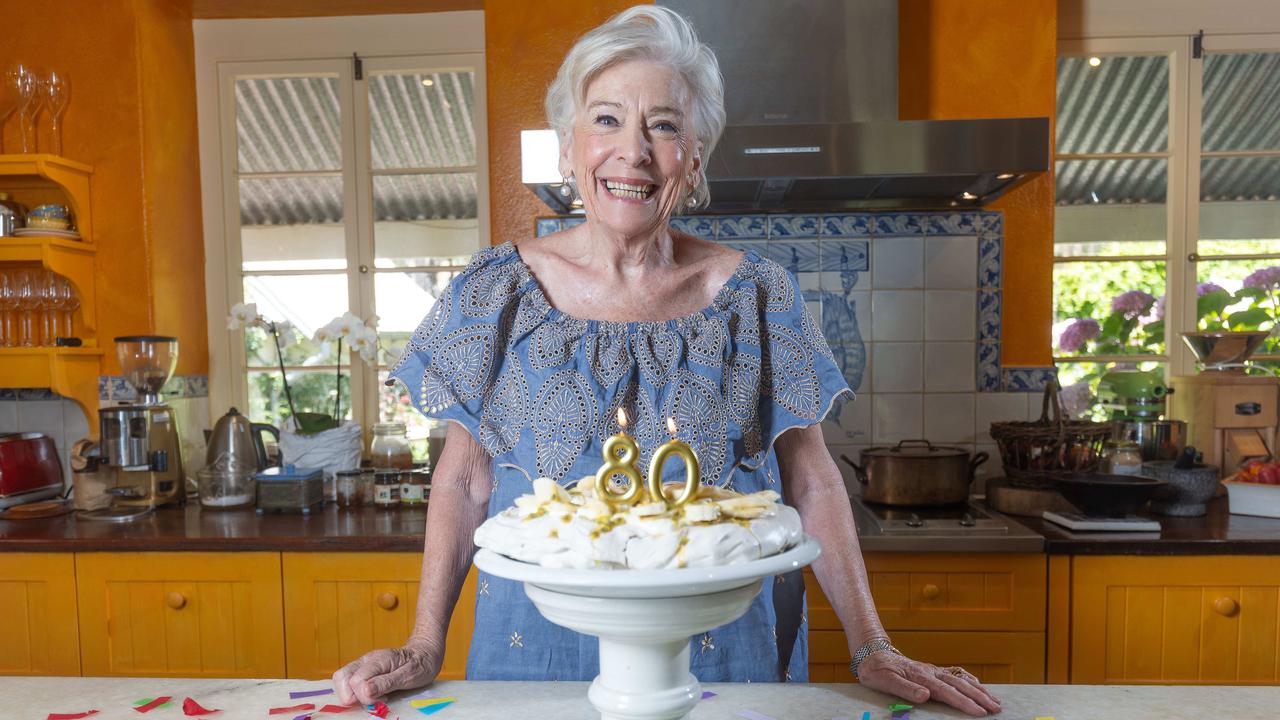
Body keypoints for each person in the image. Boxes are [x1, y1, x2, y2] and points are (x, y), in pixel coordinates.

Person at [333, 6, 1001, 716]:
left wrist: (872, 644)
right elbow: (465, 481)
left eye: (664, 125)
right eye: (607, 119)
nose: (634, 151)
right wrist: (424, 643)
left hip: (724, 668)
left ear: (695, 157)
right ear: (567, 149)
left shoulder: (758, 295)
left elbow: (814, 483)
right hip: (538, 661)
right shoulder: (496, 291)